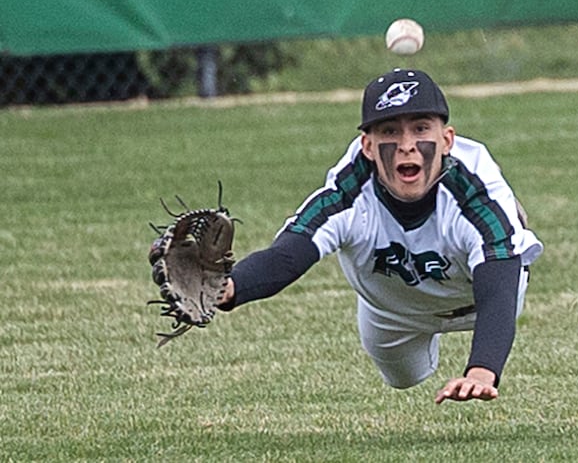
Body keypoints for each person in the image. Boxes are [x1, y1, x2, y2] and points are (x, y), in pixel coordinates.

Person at [217, 68, 543, 404]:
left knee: (503, 258)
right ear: (368, 147)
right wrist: (229, 288)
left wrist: (480, 371)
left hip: (480, 299)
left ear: (447, 140)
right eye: (390, 131)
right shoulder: (349, 190)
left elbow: (498, 289)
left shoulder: (474, 192)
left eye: (420, 128)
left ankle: (511, 228)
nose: (406, 146)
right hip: (391, 309)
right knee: (404, 378)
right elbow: (289, 254)